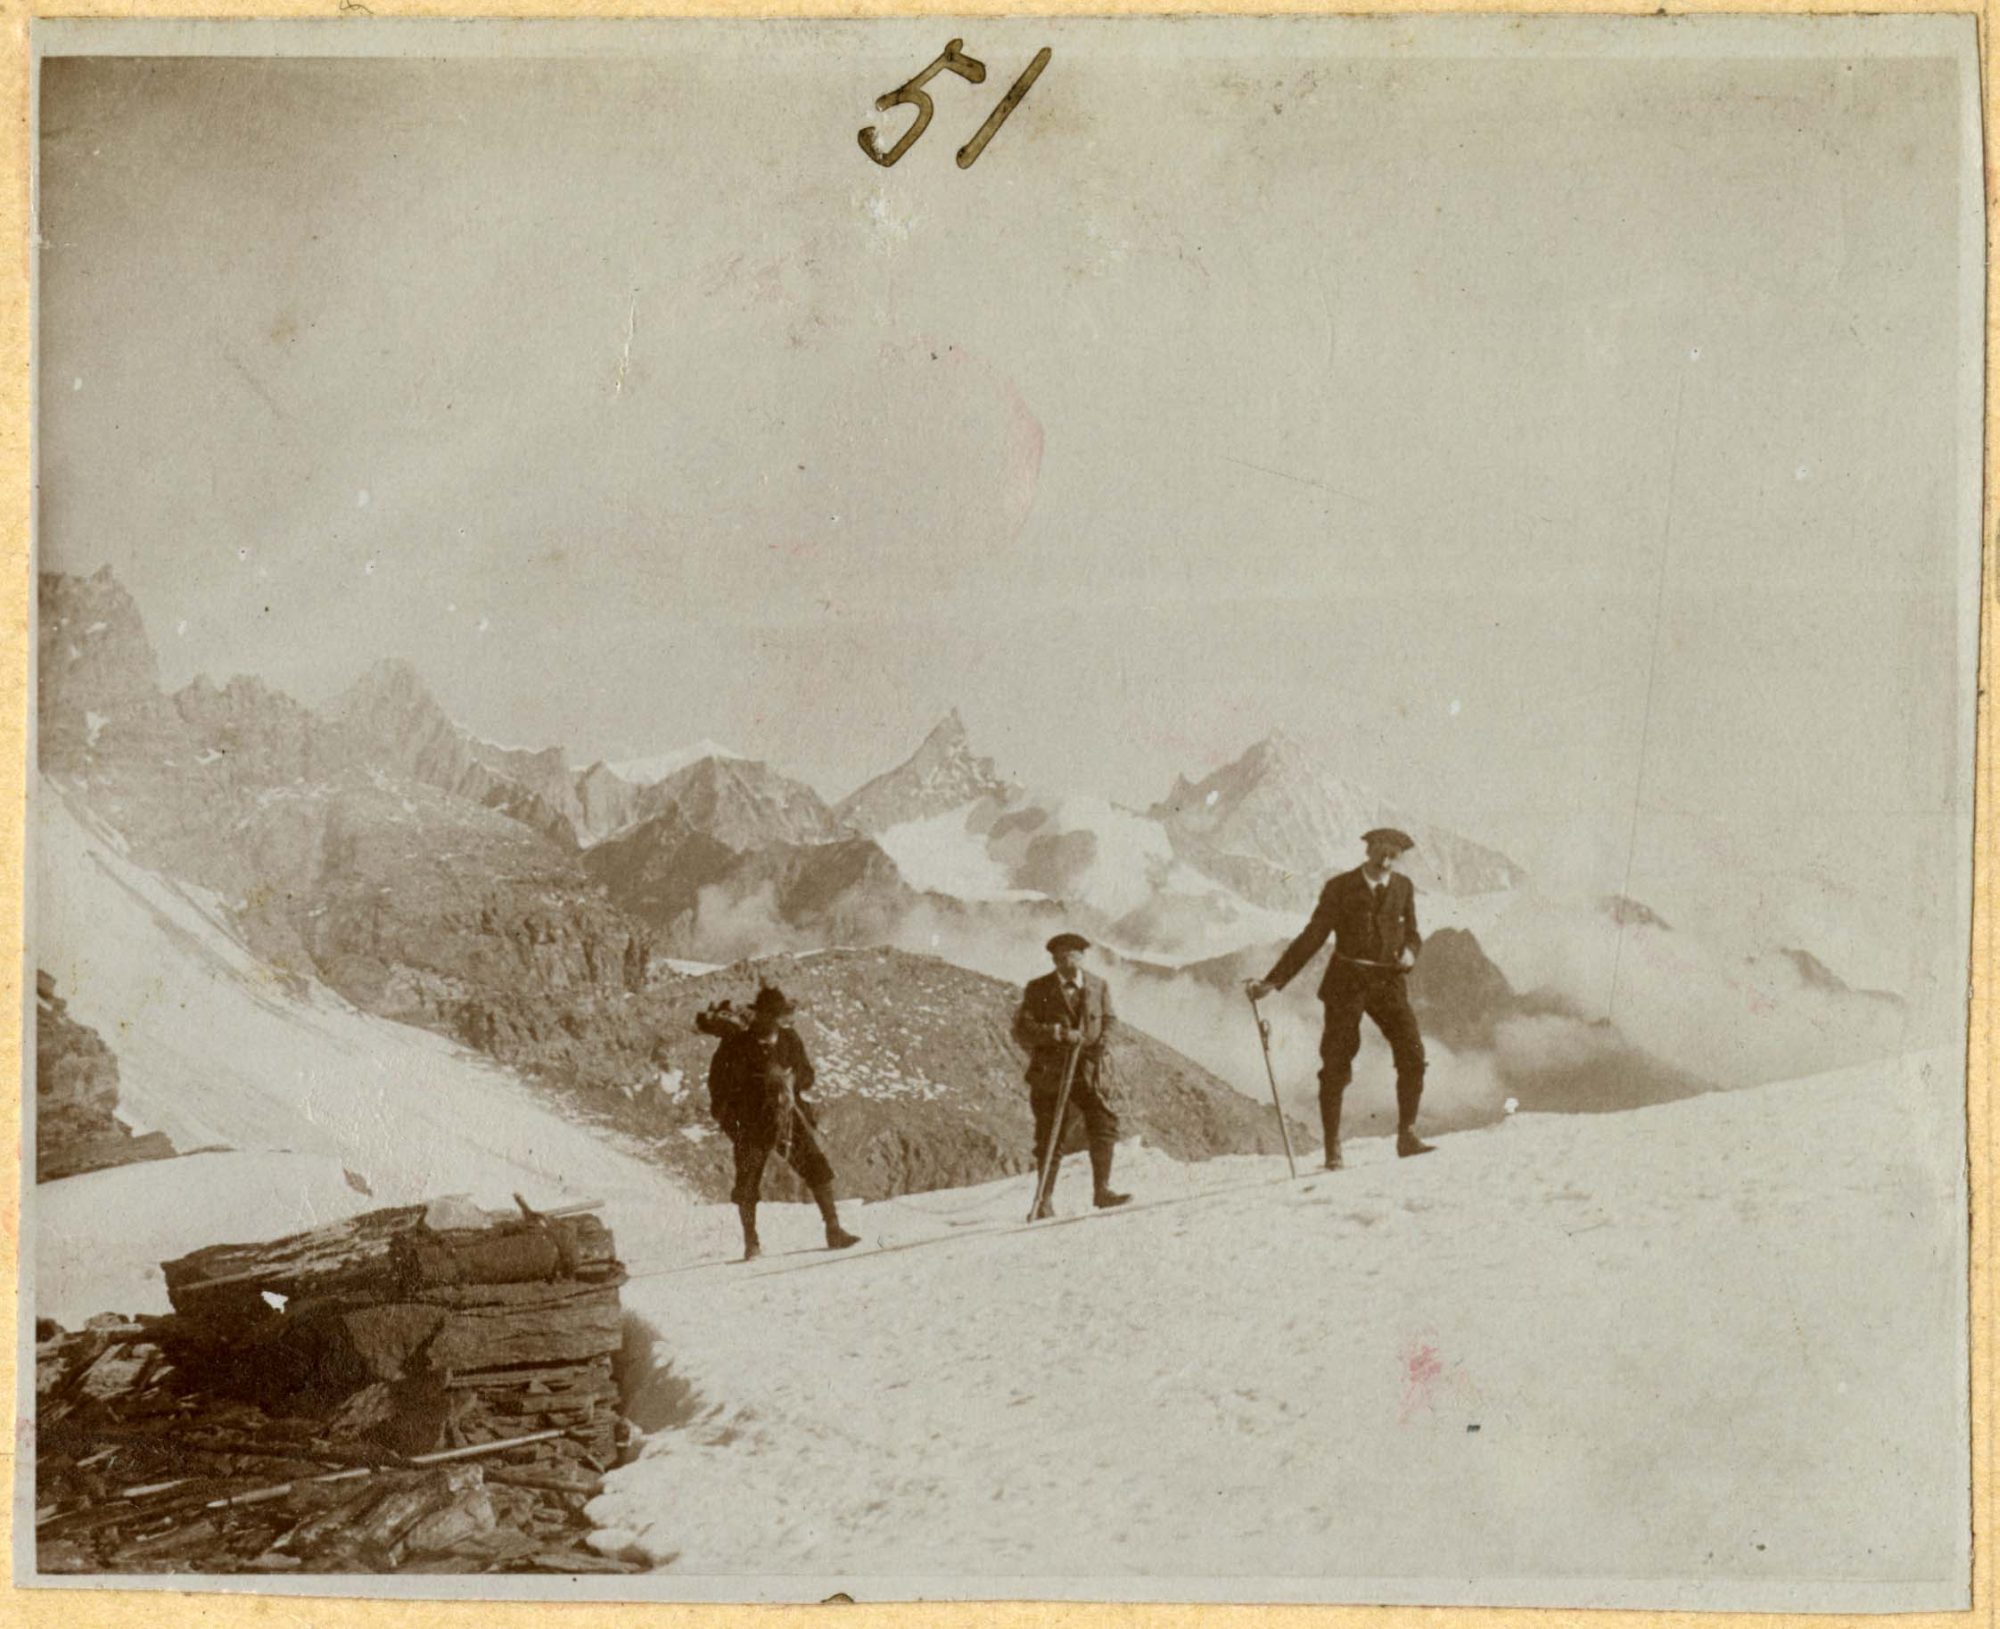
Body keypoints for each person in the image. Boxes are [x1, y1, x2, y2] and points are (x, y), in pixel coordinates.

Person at [1245, 828, 1434, 1168]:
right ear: (1368, 849)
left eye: (1393, 855)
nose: (1385, 861)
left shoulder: (1403, 887)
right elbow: (1313, 936)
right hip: (1347, 981)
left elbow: (1413, 933)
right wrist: (1273, 980)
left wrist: (1410, 951)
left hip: (1389, 982)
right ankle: (1333, 1148)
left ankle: (1407, 1135)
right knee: (1336, 1062)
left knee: (1413, 1054)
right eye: (1380, 852)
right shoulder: (1340, 887)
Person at [699, 984, 861, 1261]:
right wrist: (734, 1123)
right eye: (768, 1015)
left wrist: (792, 1079)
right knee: (747, 1183)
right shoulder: (736, 1045)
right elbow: (719, 1086)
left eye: (776, 1016)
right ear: (758, 1015)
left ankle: (833, 1229)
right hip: (751, 1124)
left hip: (787, 1117)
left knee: (816, 1167)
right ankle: (751, 1242)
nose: (772, 1021)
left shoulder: (789, 1039)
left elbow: (807, 1074)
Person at [1011, 932, 1130, 1218]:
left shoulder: (1098, 985)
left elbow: (1110, 1019)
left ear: (1083, 957)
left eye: (1075, 956)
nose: (1070, 963)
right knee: (1051, 1135)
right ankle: (1044, 1201)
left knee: (1104, 1124)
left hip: (1089, 1072)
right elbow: (1023, 1029)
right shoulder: (1038, 988)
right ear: (1054, 960)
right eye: (1063, 958)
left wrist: (1103, 1042)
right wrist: (1058, 1033)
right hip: (1052, 1074)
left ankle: (1102, 1191)